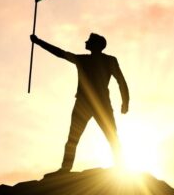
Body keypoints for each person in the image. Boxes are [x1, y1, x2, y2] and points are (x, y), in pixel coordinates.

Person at [30, 32, 129, 172]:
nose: (85, 42)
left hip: (90, 104)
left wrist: (38, 42)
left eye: (89, 41)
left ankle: (67, 168)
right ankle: (66, 168)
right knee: (85, 137)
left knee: (93, 137)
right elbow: (61, 53)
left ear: (95, 45)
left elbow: (61, 53)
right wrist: (125, 102)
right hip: (93, 104)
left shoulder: (92, 60)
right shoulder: (96, 60)